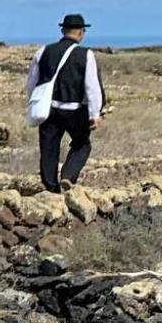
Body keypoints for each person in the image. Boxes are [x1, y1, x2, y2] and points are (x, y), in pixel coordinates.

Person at [26, 13, 104, 192]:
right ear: (81, 33)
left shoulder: (43, 51)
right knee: (82, 144)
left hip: (48, 109)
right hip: (74, 111)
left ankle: (50, 188)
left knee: (48, 149)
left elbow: (32, 83)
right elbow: (92, 86)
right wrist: (94, 114)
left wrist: (35, 103)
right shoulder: (86, 54)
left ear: (62, 30)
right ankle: (68, 176)